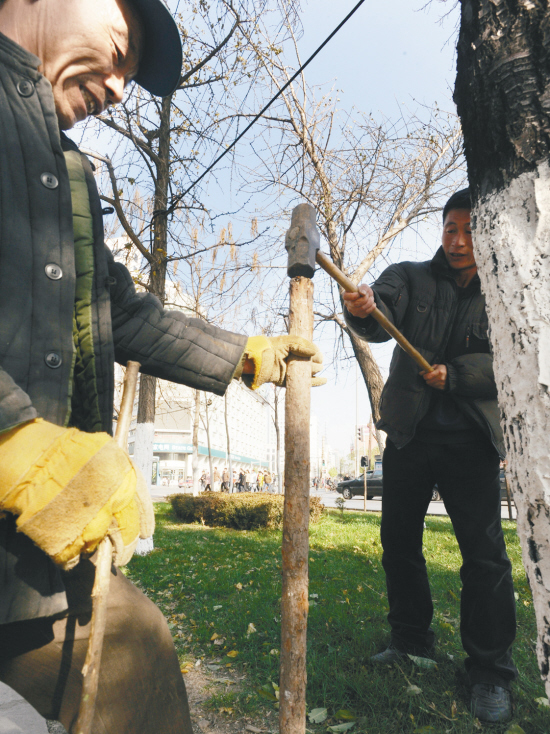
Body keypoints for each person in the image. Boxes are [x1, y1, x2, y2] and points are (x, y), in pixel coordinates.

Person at [0, 1, 326, 731]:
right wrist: (12, 440)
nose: (120, 87)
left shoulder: (70, 173)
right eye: (122, 47)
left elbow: (127, 313)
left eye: (131, 72)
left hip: (18, 573)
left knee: (133, 649)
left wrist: (246, 356)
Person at [343, 188, 516, 724]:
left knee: (484, 558)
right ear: (441, 231)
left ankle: (489, 671)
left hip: (470, 442)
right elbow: (378, 314)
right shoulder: (410, 275)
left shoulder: (508, 291)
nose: (459, 240)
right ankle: (411, 641)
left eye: (469, 230)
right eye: (450, 229)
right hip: (410, 437)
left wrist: (458, 375)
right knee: (398, 543)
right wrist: (362, 308)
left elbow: (515, 358)